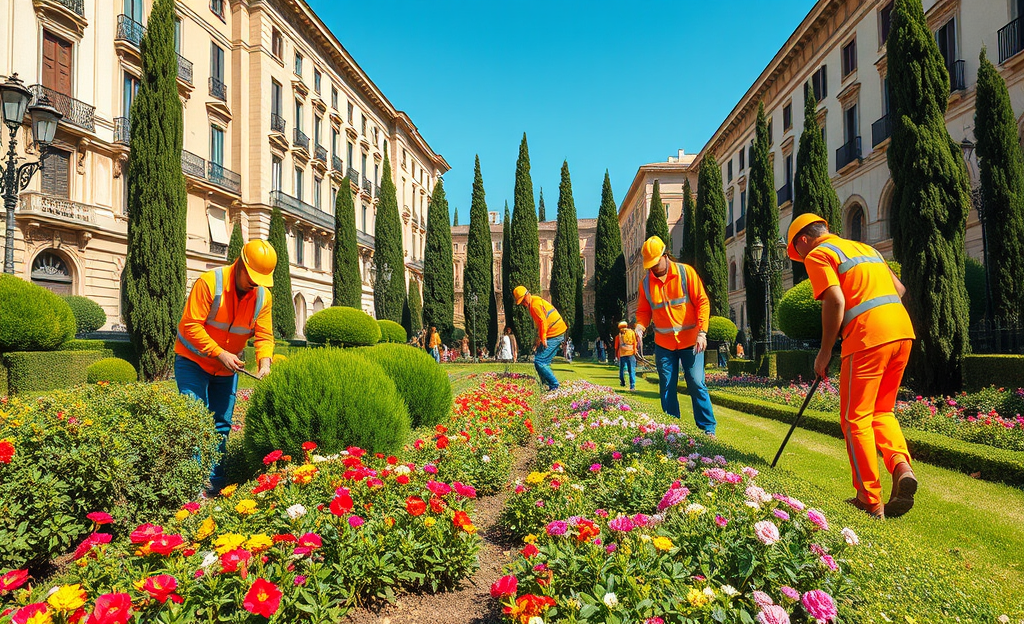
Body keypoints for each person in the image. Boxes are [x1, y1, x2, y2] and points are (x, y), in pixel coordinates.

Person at [788, 213, 918, 520]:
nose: (802, 259)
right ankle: (901, 466)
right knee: (882, 411)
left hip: (867, 337)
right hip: (901, 330)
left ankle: (868, 499)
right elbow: (899, 290)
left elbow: (834, 300)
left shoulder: (819, 253)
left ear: (804, 240)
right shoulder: (865, 248)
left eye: (798, 252)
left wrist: (824, 352)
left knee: (854, 419)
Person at [176, 240, 276, 496]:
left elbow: (264, 335)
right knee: (194, 420)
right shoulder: (210, 282)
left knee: (221, 423)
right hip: (193, 361)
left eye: (259, 281)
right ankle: (194, 482)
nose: (254, 285)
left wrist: (265, 361)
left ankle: (214, 480)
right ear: (240, 264)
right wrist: (219, 353)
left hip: (227, 368)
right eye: (252, 278)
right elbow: (190, 326)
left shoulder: (263, 296)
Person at [635, 236, 717, 436]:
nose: (653, 268)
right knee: (667, 386)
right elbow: (644, 311)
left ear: (665, 255)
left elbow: (702, 302)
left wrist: (702, 333)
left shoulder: (686, 273)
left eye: (655, 263)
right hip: (664, 345)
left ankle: (707, 429)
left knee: (696, 382)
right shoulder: (646, 283)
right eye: (650, 265)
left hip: (691, 342)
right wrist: (639, 327)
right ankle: (673, 430)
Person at [513, 285, 567, 391]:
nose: (524, 303)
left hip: (555, 332)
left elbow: (543, 321)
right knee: (541, 360)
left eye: (524, 300)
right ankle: (546, 385)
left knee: (540, 361)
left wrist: (543, 338)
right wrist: (539, 338)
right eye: (522, 302)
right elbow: (540, 323)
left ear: (527, 295)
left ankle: (554, 386)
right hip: (556, 332)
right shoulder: (534, 302)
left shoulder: (534, 305)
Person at [613, 321, 637, 390]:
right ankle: (632, 386)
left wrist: (616, 356)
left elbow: (616, 347)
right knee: (631, 370)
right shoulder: (632, 332)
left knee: (621, 370)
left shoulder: (618, 336)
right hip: (631, 354)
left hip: (622, 354)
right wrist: (635, 351)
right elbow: (635, 342)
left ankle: (622, 381)